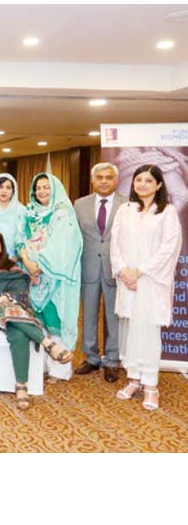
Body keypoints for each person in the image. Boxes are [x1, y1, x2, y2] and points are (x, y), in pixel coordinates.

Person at [0, 230, 73, 410]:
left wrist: (0, 299)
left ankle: (21, 385)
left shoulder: (12, 269)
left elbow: (20, 292)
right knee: (8, 313)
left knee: (17, 332)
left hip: (9, 310)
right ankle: (47, 344)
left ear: (2, 248)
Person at [111, 164, 182, 411]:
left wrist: (139, 271)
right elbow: (115, 244)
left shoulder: (167, 212)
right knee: (131, 329)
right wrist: (123, 271)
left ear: (159, 185)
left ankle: (151, 384)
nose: (142, 184)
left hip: (151, 281)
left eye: (148, 181)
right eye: (138, 180)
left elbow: (169, 247)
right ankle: (133, 378)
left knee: (149, 332)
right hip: (128, 281)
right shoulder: (125, 210)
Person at [16, 173, 82, 382]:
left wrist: (40, 266)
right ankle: (41, 366)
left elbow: (62, 247)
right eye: (38, 188)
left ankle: (59, 370)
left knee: (55, 321)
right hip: (31, 275)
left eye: (46, 187)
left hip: (54, 279)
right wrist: (27, 263)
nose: (42, 192)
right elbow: (19, 239)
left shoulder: (63, 214)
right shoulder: (28, 213)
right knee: (38, 321)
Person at [73, 162, 127, 382]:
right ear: (93, 180)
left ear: (116, 180)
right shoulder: (79, 204)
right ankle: (92, 357)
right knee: (89, 314)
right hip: (88, 267)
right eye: (100, 177)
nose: (104, 181)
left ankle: (112, 360)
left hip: (116, 269)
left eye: (108, 177)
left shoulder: (128, 204)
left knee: (114, 316)